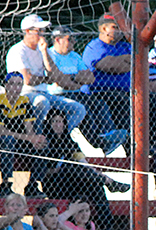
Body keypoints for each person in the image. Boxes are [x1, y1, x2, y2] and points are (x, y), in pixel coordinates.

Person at [82, 14, 156, 148]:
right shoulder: (94, 47)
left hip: (127, 90)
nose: (119, 30)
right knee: (125, 102)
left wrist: (120, 61)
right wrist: (127, 60)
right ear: (103, 28)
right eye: (114, 27)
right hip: (100, 91)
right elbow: (108, 66)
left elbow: (140, 63)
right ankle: (126, 145)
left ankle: (148, 145)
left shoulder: (124, 46)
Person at [40, 109, 128, 230]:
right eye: (54, 121)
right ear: (49, 123)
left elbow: (83, 161)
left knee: (96, 186)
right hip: (55, 184)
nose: (58, 125)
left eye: (60, 122)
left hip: (74, 182)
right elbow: (44, 171)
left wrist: (95, 174)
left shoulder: (67, 141)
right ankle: (109, 182)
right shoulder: (44, 141)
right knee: (71, 168)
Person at [46, 25, 127, 155]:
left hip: (76, 92)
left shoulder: (75, 56)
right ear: (57, 40)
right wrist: (76, 79)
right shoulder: (50, 55)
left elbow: (90, 78)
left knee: (99, 104)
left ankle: (107, 134)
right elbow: (60, 82)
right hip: (58, 94)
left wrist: (71, 79)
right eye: (69, 39)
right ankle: (97, 141)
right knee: (85, 107)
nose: (74, 42)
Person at [6, 14, 86, 134]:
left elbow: (54, 75)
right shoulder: (17, 51)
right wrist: (46, 78)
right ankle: (38, 137)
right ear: (28, 31)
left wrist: (44, 52)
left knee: (78, 109)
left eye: (43, 31)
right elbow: (27, 80)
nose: (43, 34)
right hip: (24, 93)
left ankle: (63, 137)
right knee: (42, 102)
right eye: (39, 31)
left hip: (44, 92)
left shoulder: (44, 49)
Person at [0, 72, 48, 199]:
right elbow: (1, 131)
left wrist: (35, 139)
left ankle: (32, 185)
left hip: (18, 138)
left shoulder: (24, 101)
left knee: (42, 143)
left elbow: (29, 129)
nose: (16, 88)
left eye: (19, 85)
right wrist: (29, 138)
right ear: (6, 86)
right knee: (8, 140)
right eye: (12, 84)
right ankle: (6, 185)